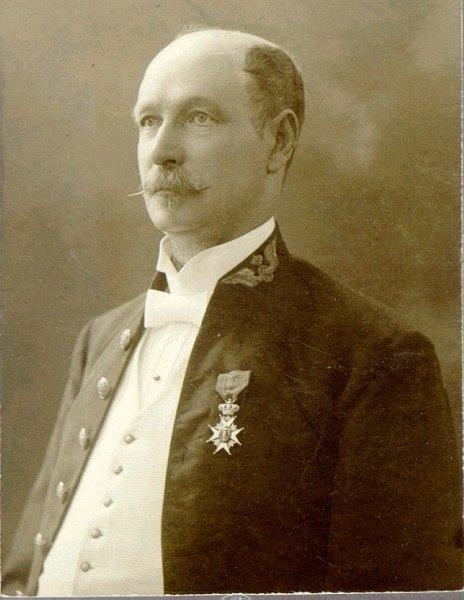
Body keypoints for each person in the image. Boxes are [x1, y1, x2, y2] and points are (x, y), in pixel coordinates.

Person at [2, 28, 462, 596]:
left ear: (279, 142)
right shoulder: (99, 340)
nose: (162, 151)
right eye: (148, 121)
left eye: (199, 118)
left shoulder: (372, 355)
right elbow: (22, 575)